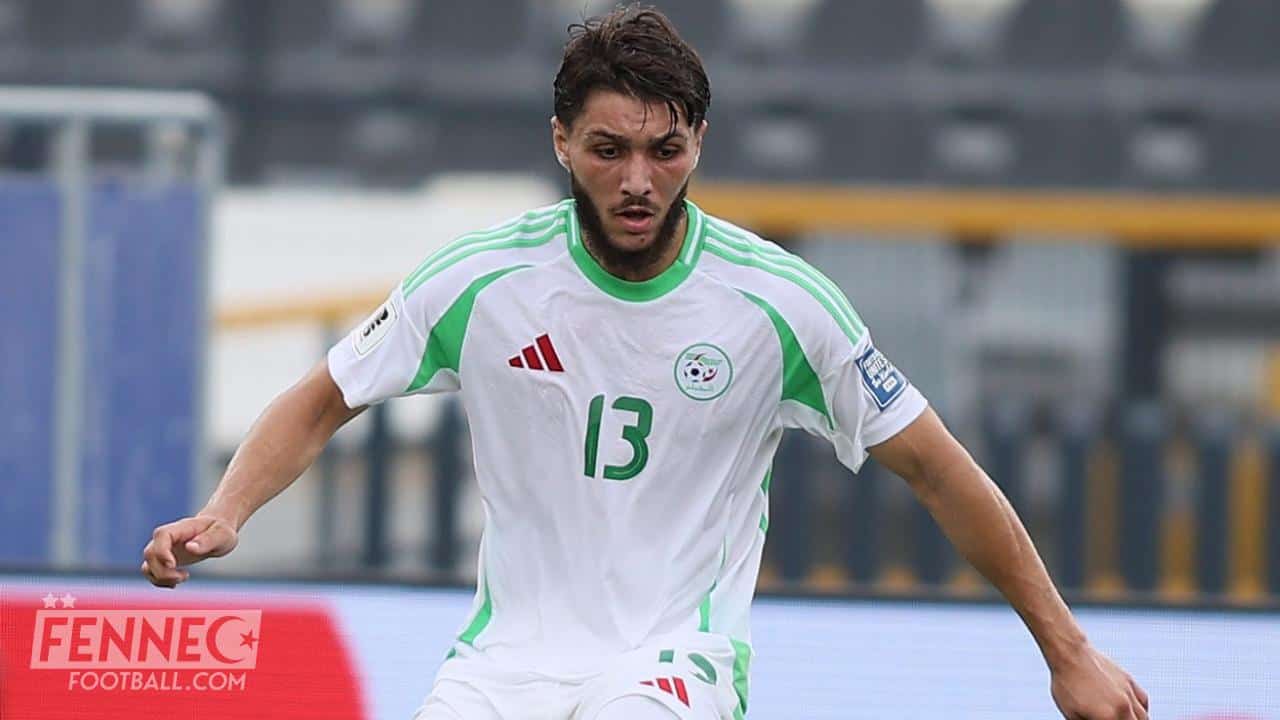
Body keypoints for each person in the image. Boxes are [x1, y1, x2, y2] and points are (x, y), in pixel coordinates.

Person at [142, 5, 1150, 719]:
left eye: (664, 150)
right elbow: (324, 398)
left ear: (699, 141)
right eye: (608, 148)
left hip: (674, 666)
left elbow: (937, 469)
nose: (637, 180)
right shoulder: (482, 282)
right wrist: (227, 510)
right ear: (560, 141)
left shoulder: (780, 304)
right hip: (502, 667)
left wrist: (1066, 653)